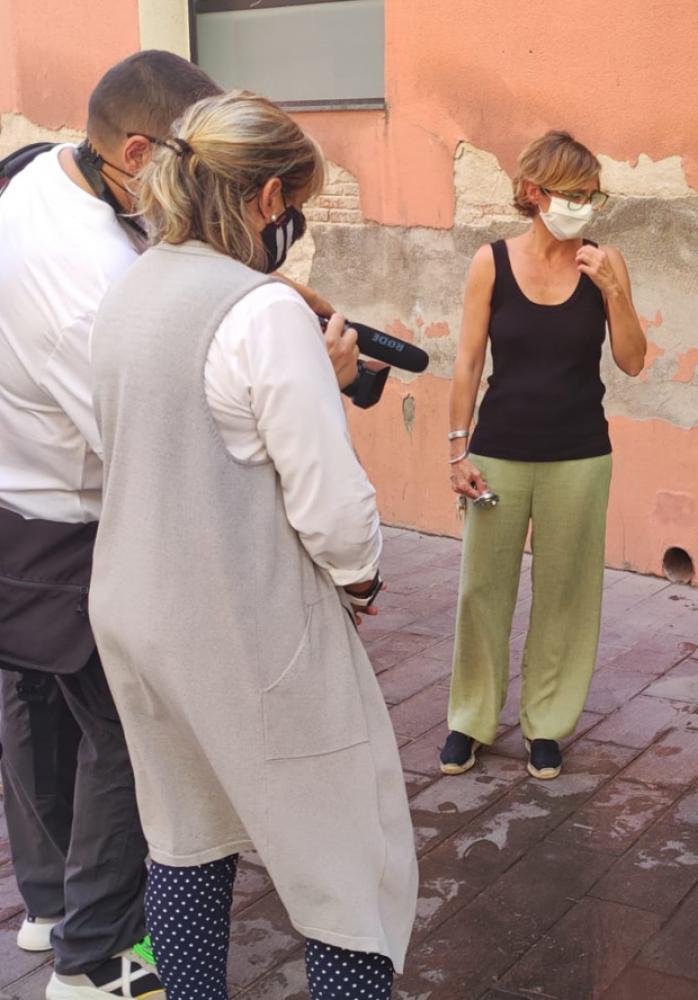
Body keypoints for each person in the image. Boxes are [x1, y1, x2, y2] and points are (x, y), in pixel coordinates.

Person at [87, 91, 417, 997]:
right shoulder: (263, 311)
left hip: (135, 615)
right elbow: (332, 508)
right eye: (296, 204)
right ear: (271, 199)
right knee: (351, 863)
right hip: (245, 626)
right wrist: (360, 579)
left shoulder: (132, 288)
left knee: (185, 837)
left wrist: (324, 370)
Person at [0, 50, 228, 1000]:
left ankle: (51, 907)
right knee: (132, 737)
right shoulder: (85, 274)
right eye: (193, 169)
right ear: (138, 151)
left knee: (37, 717)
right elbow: (146, 438)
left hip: (18, 499)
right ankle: (93, 962)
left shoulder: (36, 174)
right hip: (76, 522)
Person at [440, 131, 645, 779]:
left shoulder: (604, 262)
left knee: (566, 594)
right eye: (574, 194)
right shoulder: (491, 263)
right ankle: (470, 720)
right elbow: (469, 359)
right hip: (499, 450)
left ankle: (548, 725)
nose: (585, 206)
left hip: (580, 454)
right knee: (482, 590)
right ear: (534, 193)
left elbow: (634, 361)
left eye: (593, 195)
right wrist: (456, 450)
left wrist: (616, 291)